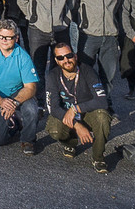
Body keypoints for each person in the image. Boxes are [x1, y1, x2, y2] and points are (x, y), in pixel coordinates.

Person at [0, 20, 41, 154]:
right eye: (1, 37)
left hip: (17, 93)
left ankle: (28, 140)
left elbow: (31, 87)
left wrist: (14, 103)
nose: (4, 40)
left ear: (16, 38)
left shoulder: (23, 57)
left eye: (8, 37)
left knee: (31, 109)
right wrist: (1, 101)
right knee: (0, 140)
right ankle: (15, 122)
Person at [45, 42, 112, 172]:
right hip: (67, 114)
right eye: (61, 58)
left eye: (69, 56)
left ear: (75, 56)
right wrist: (77, 125)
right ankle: (70, 143)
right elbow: (53, 108)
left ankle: (98, 157)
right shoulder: (52, 76)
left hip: (87, 113)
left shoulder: (87, 71)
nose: (66, 60)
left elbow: (102, 101)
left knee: (102, 117)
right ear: (56, 61)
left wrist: (75, 109)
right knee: (54, 128)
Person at [76, 0, 125, 102]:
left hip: (110, 36)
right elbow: (73, 6)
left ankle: (105, 103)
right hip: (88, 35)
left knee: (108, 75)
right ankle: (86, 103)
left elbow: (119, 7)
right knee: (85, 73)